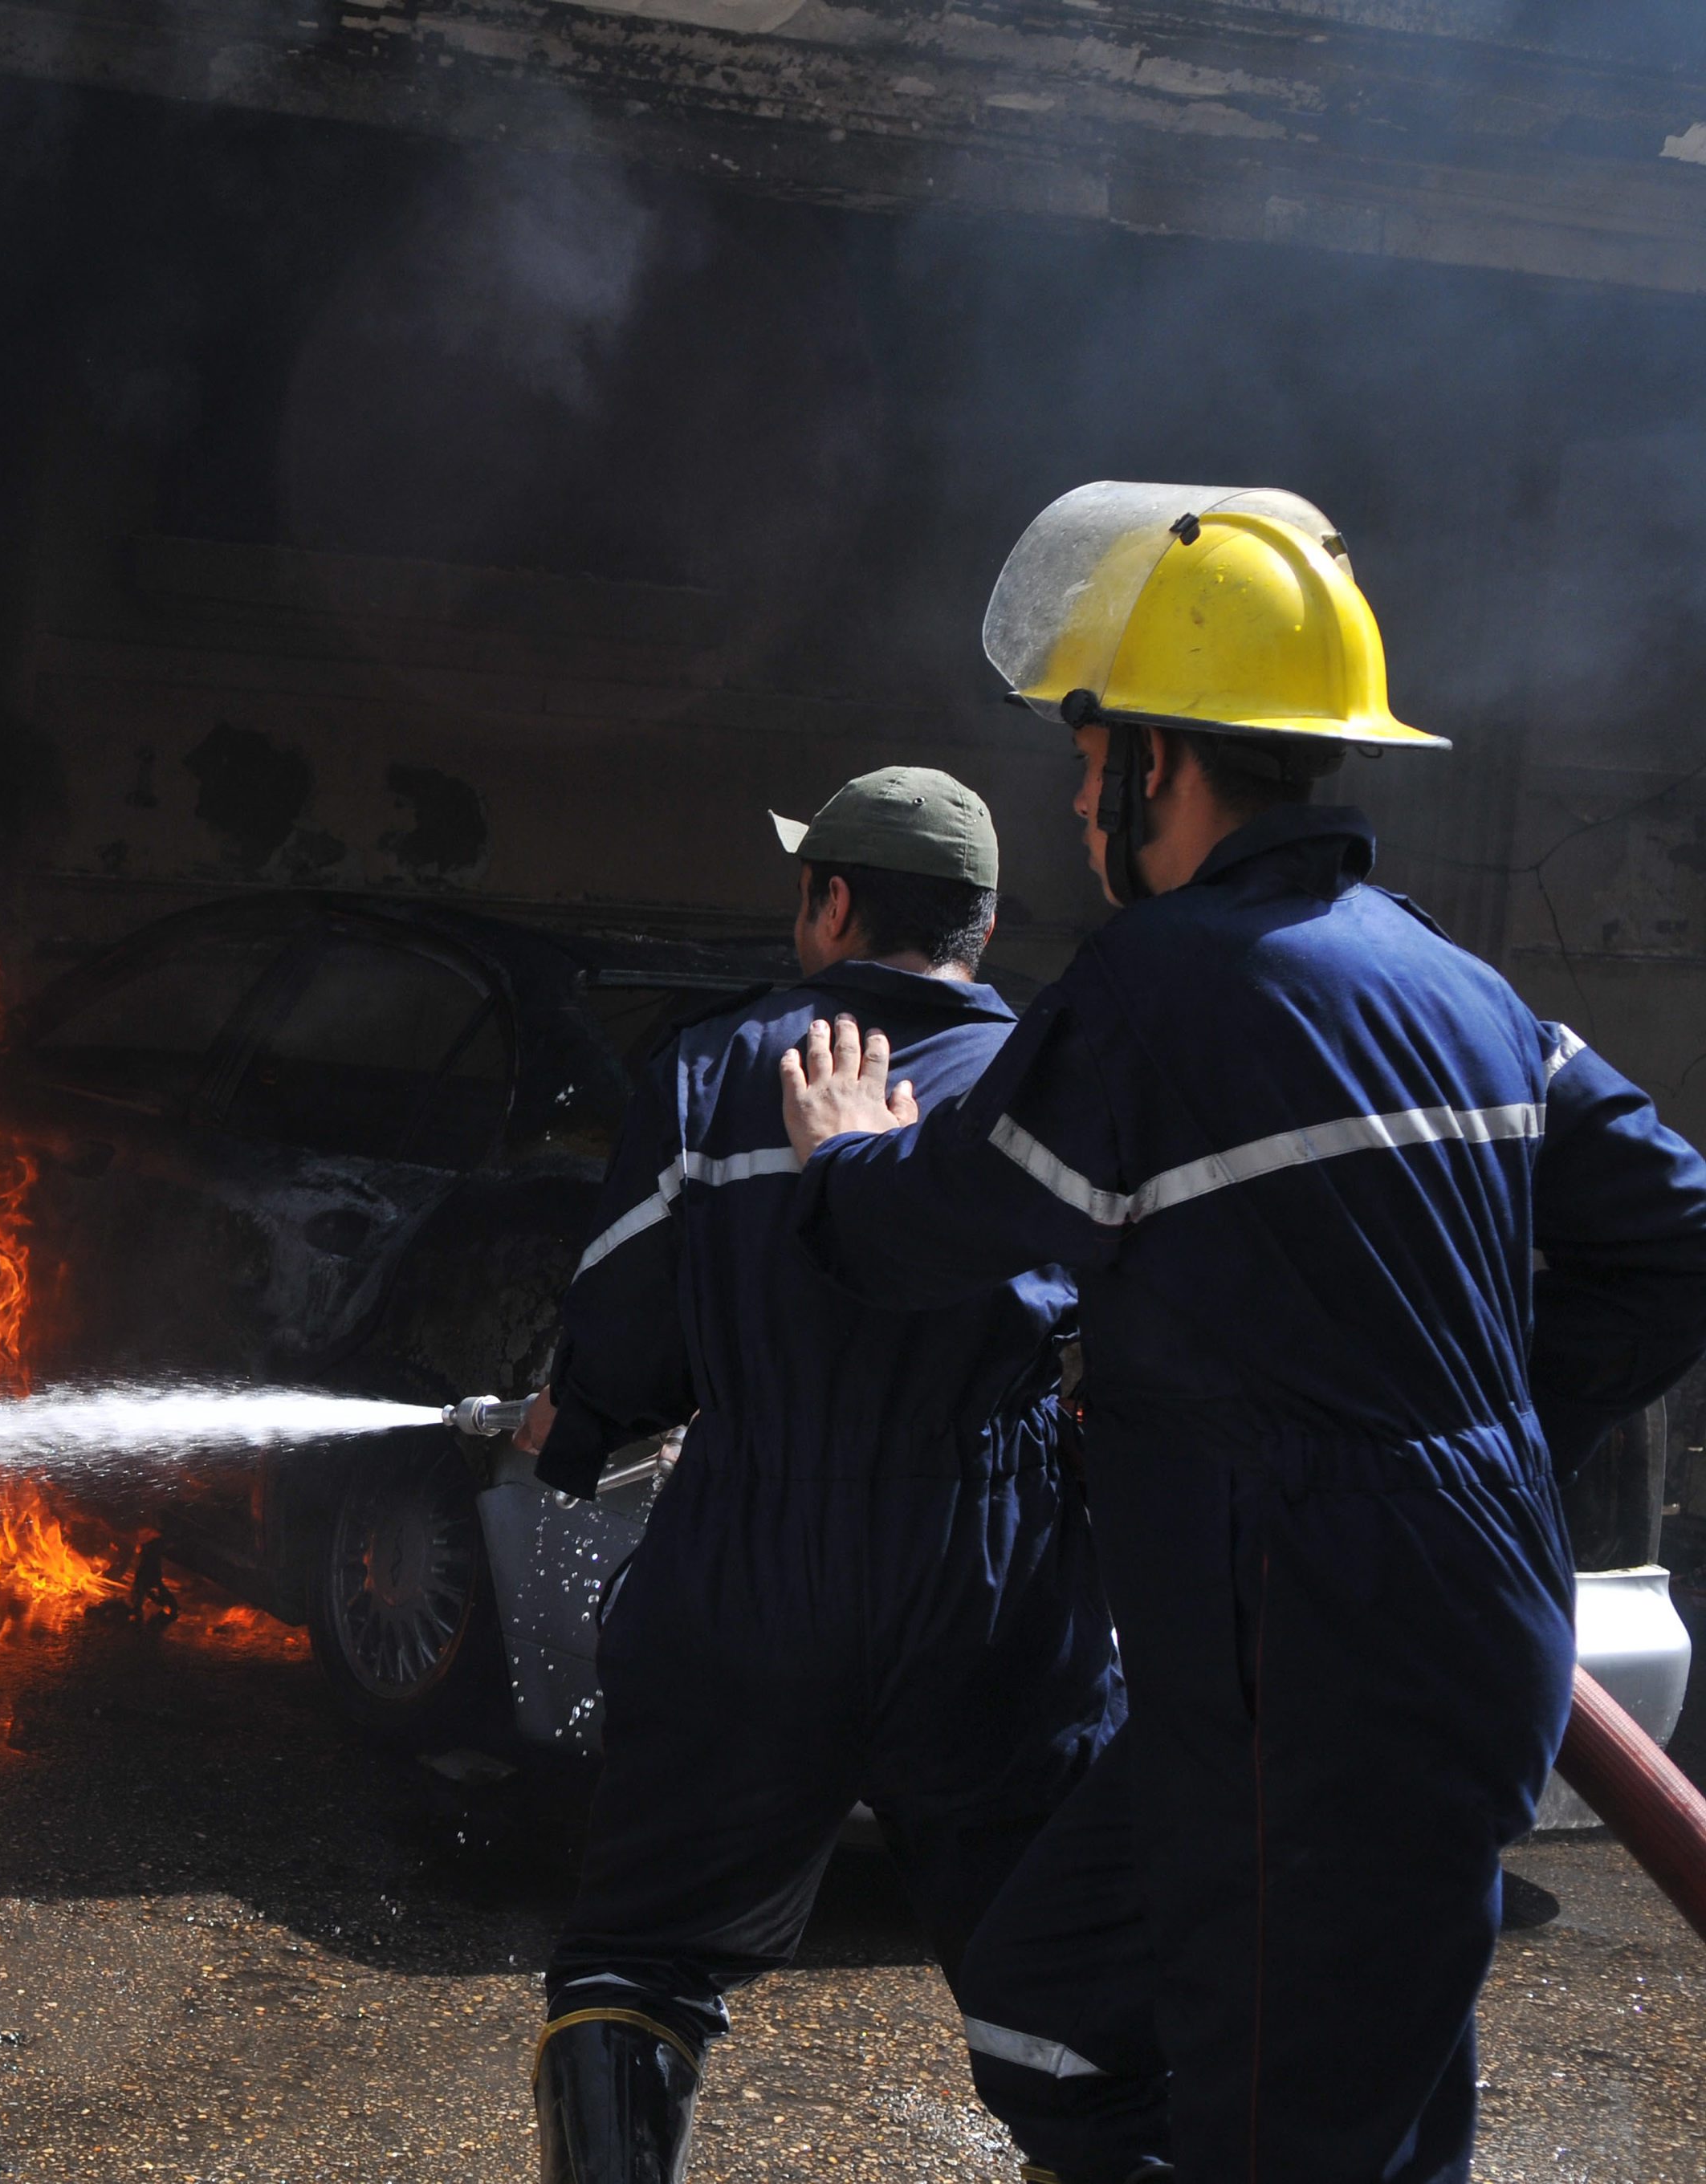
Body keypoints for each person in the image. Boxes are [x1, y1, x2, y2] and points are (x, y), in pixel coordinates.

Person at [777, 483, 1706, 2181]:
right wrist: (1476, 1431)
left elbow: (930, 1229)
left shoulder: (1164, 986)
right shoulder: (1458, 984)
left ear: (1153, 762)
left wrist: (839, 1155)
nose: (1067, 801)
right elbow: (1672, 1234)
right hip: (1388, 1653)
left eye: (1084, 756)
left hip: (1312, 1677)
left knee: (1300, 2136)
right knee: (1050, 2005)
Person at [513, 765, 1126, 2183]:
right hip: (995, 1580)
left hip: (749, 1564)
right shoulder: (1053, 1077)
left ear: (834, 901)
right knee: (1078, 2001)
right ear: (975, 926)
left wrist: (579, 1419)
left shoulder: (713, 1069)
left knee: (636, 1962)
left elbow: (625, 1323)